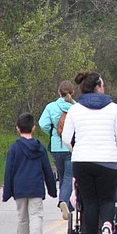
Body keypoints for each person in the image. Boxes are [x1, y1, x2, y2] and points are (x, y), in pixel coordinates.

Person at [60, 71, 117, 234]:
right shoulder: (113, 108)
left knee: (88, 201)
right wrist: (115, 150)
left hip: (82, 160)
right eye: (102, 85)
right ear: (97, 87)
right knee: (107, 198)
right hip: (108, 159)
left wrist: (76, 151)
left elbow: (66, 137)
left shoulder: (75, 109)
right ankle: (106, 224)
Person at [2, 112, 58, 234]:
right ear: (33, 128)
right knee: (36, 214)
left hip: (19, 187)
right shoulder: (39, 148)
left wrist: (7, 192)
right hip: (36, 186)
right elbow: (47, 169)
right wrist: (52, 189)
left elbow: (9, 171)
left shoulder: (14, 148)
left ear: (18, 129)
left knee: (22, 216)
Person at [38, 80, 76, 220]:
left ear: (58, 92)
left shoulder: (51, 107)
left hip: (56, 146)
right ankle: (64, 201)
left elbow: (43, 124)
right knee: (68, 176)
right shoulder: (76, 107)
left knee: (62, 175)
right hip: (71, 146)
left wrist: (53, 132)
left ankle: (64, 201)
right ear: (73, 93)